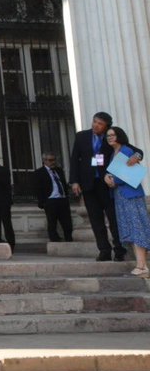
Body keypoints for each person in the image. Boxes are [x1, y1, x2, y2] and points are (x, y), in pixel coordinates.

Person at [69, 111, 125, 261]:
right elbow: (75, 159)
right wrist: (74, 181)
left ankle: (119, 249)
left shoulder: (111, 137)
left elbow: (127, 148)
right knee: (95, 219)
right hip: (88, 183)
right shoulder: (82, 136)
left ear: (107, 126)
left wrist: (136, 156)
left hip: (107, 184)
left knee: (114, 218)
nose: (96, 125)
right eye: (95, 122)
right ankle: (104, 250)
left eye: (100, 124)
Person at [103, 127, 150, 277]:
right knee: (130, 228)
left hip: (131, 195)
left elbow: (128, 174)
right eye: (108, 135)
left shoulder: (127, 150)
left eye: (112, 135)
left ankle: (142, 266)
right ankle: (141, 264)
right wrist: (107, 177)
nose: (110, 137)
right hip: (120, 196)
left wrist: (113, 180)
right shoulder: (112, 154)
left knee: (137, 227)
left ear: (119, 136)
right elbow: (112, 172)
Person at [35, 152, 74, 243]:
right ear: (44, 161)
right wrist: (43, 201)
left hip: (62, 199)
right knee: (52, 222)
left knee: (67, 221)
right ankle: (55, 239)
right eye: (50, 160)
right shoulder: (39, 172)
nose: (52, 162)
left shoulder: (59, 170)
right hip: (51, 200)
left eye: (54, 160)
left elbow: (63, 183)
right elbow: (37, 188)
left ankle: (69, 238)